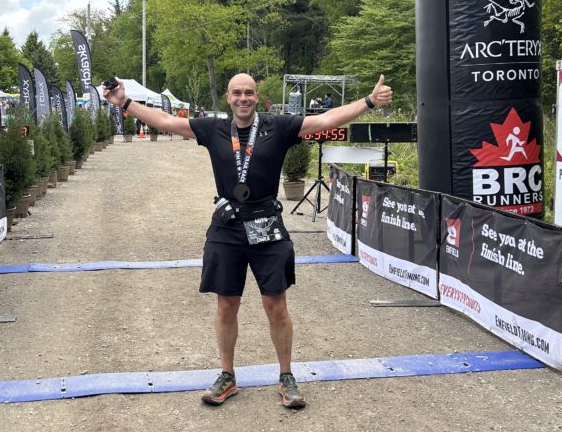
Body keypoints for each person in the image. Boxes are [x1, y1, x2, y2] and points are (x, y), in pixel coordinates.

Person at [102, 72, 392, 409]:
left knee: (276, 305)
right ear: (228, 98)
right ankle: (227, 376)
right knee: (227, 304)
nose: (243, 98)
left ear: (257, 97)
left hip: (266, 223)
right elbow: (166, 121)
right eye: (237, 93)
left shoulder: (278, 126)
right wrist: (124, 102)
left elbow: (325, 118)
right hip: (228, 227)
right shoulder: (213, 129)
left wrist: (368, 102)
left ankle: (286, 376)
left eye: (249, 93)